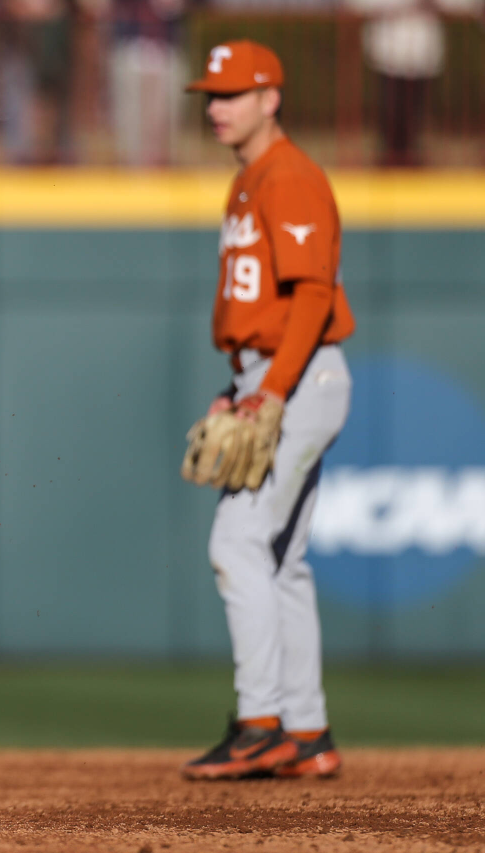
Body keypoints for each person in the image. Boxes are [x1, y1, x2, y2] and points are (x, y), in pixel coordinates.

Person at [178, 40, 355, 781]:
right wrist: (242, 380)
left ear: (270, 98)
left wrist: (271, 390)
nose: (216, 107)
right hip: (272, 372)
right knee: (281, 561)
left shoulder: (291, 177)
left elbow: (313, 294)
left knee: (237, 543)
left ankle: (261, 722)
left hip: (300, 377)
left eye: (232, 94)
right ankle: (306, 730)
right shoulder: (250, 180)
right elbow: (261, 304)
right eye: (210, 95)